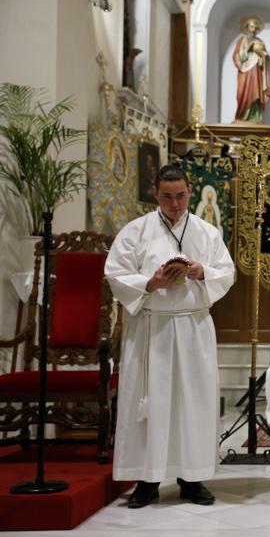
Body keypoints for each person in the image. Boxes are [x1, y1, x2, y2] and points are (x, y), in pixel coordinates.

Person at [105, 164, 235, 508]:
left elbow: (227, 272)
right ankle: (146, 482)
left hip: (192, 327)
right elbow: (115, 273)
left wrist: (200, 270)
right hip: (151, 329)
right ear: (155, 193)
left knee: (193, 404)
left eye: (180, 196)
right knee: (149, 406)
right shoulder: (136, 231)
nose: (174, 204)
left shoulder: (207, 233)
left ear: (190, 192)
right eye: (167, 197)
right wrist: (150, 282)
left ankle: (191, 478)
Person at [233, 16, 270, 122]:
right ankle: (241, 116)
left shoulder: (260, 41)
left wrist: (263, 56)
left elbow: (265, 57)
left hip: (256, 70)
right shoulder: (241, 40)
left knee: (256, 92)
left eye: (255, 28)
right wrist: (248, 48)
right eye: (251, 27)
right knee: (243, 94)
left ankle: (255, 117)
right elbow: (236, 56)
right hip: (245, 70)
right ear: (247, 28)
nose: (253, 30)